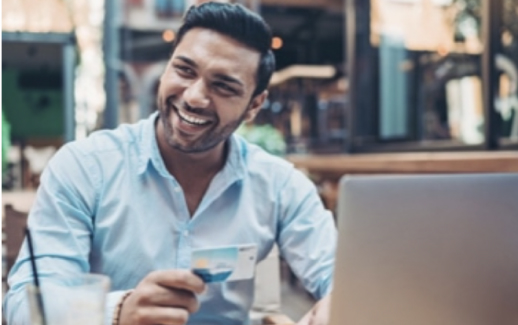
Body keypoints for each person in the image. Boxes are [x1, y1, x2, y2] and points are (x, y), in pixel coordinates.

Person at [3, 3, 336, 325]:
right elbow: (25, 306)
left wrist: (338, 304)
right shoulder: (85, 168)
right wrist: (118, 312)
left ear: (254, 105)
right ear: (167, 68)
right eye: (184, 70)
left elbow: (340, 273)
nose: (194, 96)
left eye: (223, 86)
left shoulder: (279, 185)